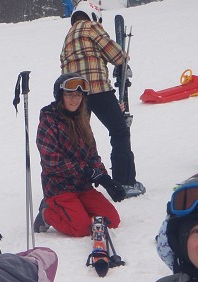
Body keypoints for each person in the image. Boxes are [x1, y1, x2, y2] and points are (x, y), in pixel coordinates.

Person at [60, 1, 146, 198]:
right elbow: (115, 54)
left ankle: (76, 184)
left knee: (79, 139)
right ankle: (125, 181)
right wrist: (122, 59)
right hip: (98, 89)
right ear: (93, 15)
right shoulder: (91, 27)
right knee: (119, 132)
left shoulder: (68, 37)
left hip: (75, 94)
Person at [34, 73, 124, 237]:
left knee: (112, 220)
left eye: (78, 95)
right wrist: (86, 171)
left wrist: (105, 180)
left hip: (82, 187)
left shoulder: (82, 119)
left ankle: (77, 212)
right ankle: (47, 213)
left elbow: (92, 156)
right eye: (69, 95)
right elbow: (51, 161)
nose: (74, 100)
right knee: (81, 229)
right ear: (61, 96)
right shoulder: (49, 120)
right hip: (58, 187)